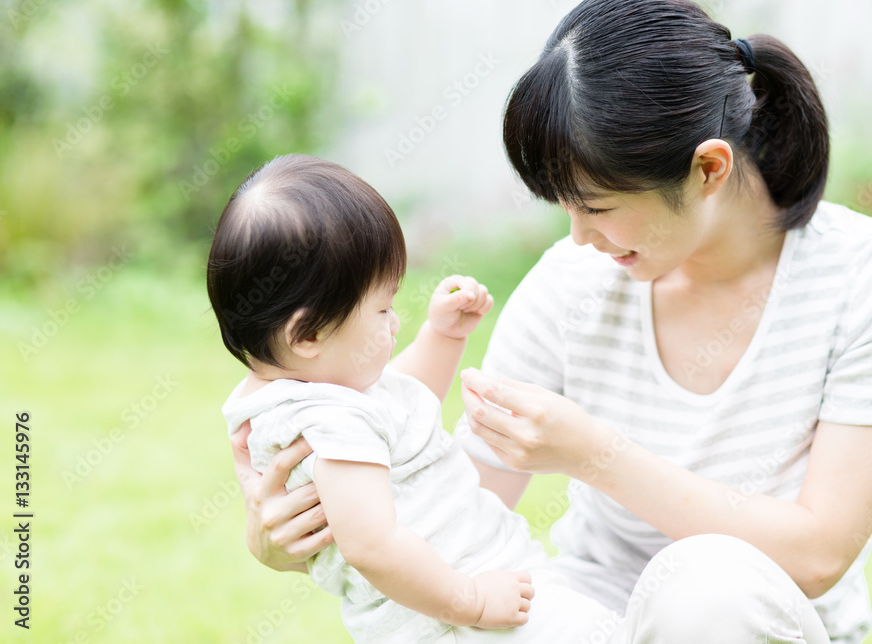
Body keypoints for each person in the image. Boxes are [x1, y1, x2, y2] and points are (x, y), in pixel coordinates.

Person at [231, 0, 872, 643]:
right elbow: (456, 503)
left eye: (596, 206)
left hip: (753, 618)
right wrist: (312, 534)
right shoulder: (573, 283)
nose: (577, 236)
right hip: (588, 616)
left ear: (708, 169)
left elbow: (818, 552)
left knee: (704, 588)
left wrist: (595, 453)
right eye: (563, 206)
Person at [210, 154, 687, 644]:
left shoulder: (319, 397)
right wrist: (472, 600)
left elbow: (404, 404)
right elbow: (372, 546)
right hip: (451, 616)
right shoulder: (328, 426)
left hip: (468, 598)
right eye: (381, 308)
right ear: (306, 334)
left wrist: (441, 336)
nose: (394, 322)